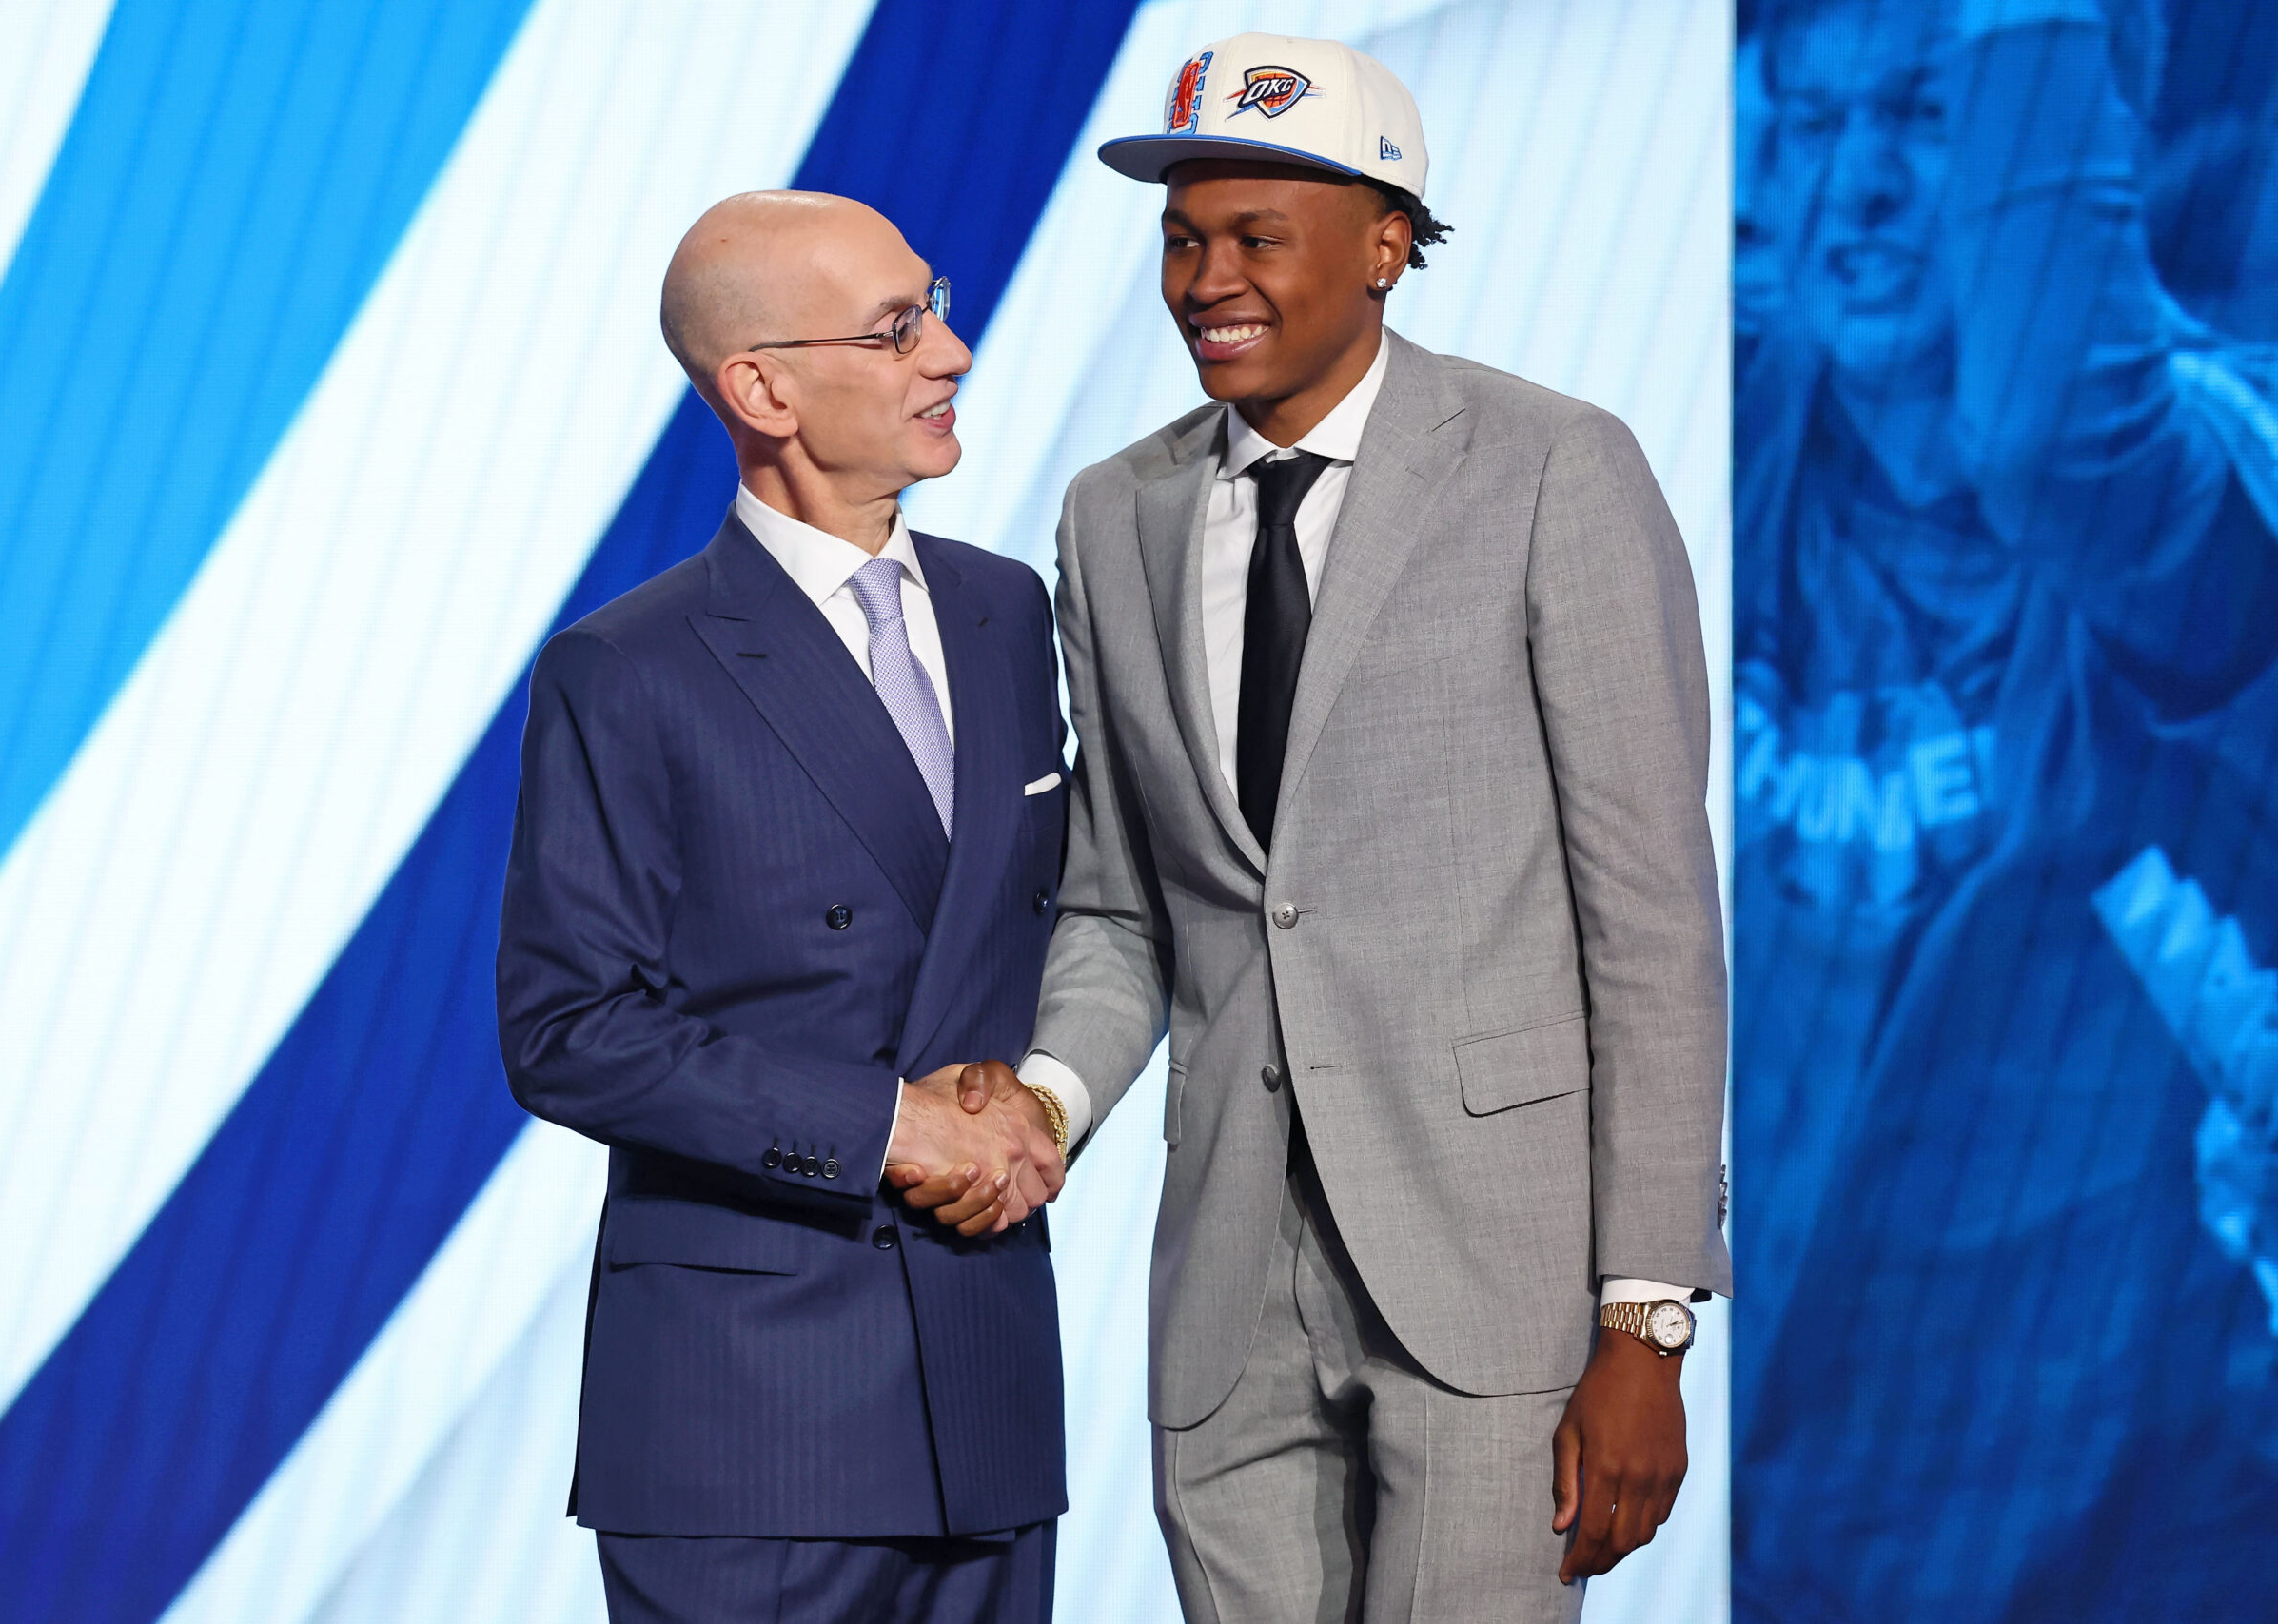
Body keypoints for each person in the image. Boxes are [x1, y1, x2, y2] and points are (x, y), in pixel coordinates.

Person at [956, 33, 1732, 1621]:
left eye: (1254, 237)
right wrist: (1040, 1099)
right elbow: (1121, 904)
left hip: (1492, 1278)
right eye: (1182, 240)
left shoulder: (1552, 468)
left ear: (1386, 247)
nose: (1205, 279)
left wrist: (1646, 1316)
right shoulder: (1117, 512)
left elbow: (1648, 917)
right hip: (1227, 1278)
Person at [1731, 1, 2278, 1616]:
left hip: (2064, 1518)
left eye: (1922, 117)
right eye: (1820, 130)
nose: (1864, 190)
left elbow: (2055, 425)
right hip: (1754, 1487)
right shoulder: (1734, 429)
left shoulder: (2188, 474)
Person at [495, 191, 1075, 1624]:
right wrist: (890, 1126)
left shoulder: (1013, 619)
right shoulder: (627, 667)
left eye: (932, 303)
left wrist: (1039, 1106)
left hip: (987, 1376)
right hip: (750, 1411)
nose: (952, 350)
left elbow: (1083, 918)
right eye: (897, 330)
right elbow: (568, 1029)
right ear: (759, 388)